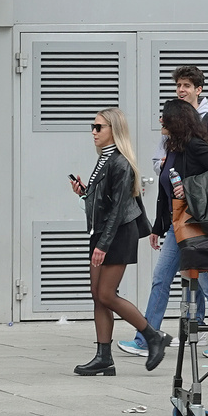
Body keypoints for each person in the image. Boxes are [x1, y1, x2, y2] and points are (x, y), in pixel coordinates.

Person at [118, 71, 208, 361]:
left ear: (175, 122)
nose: (160, 121)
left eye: (164, 117)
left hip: (197, 223)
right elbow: (166, 191)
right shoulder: (172, 148)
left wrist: (192, 188)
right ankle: (147, 338)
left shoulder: (195, 146)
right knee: (161, 278)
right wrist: (158, 226)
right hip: (177, 224)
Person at [68, 108, 162, 376]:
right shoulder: (105, 159)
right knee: (97, 296)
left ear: (114, 130)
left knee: (107, 294)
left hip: (117, 234)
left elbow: (119, 209)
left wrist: (103, 245)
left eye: (99, 127)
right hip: (103, 233)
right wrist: (85, 193)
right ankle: (103, 357)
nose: (94, 132)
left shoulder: (121, 163)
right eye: (93, 127)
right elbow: (106, 202)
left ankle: (153, 336)